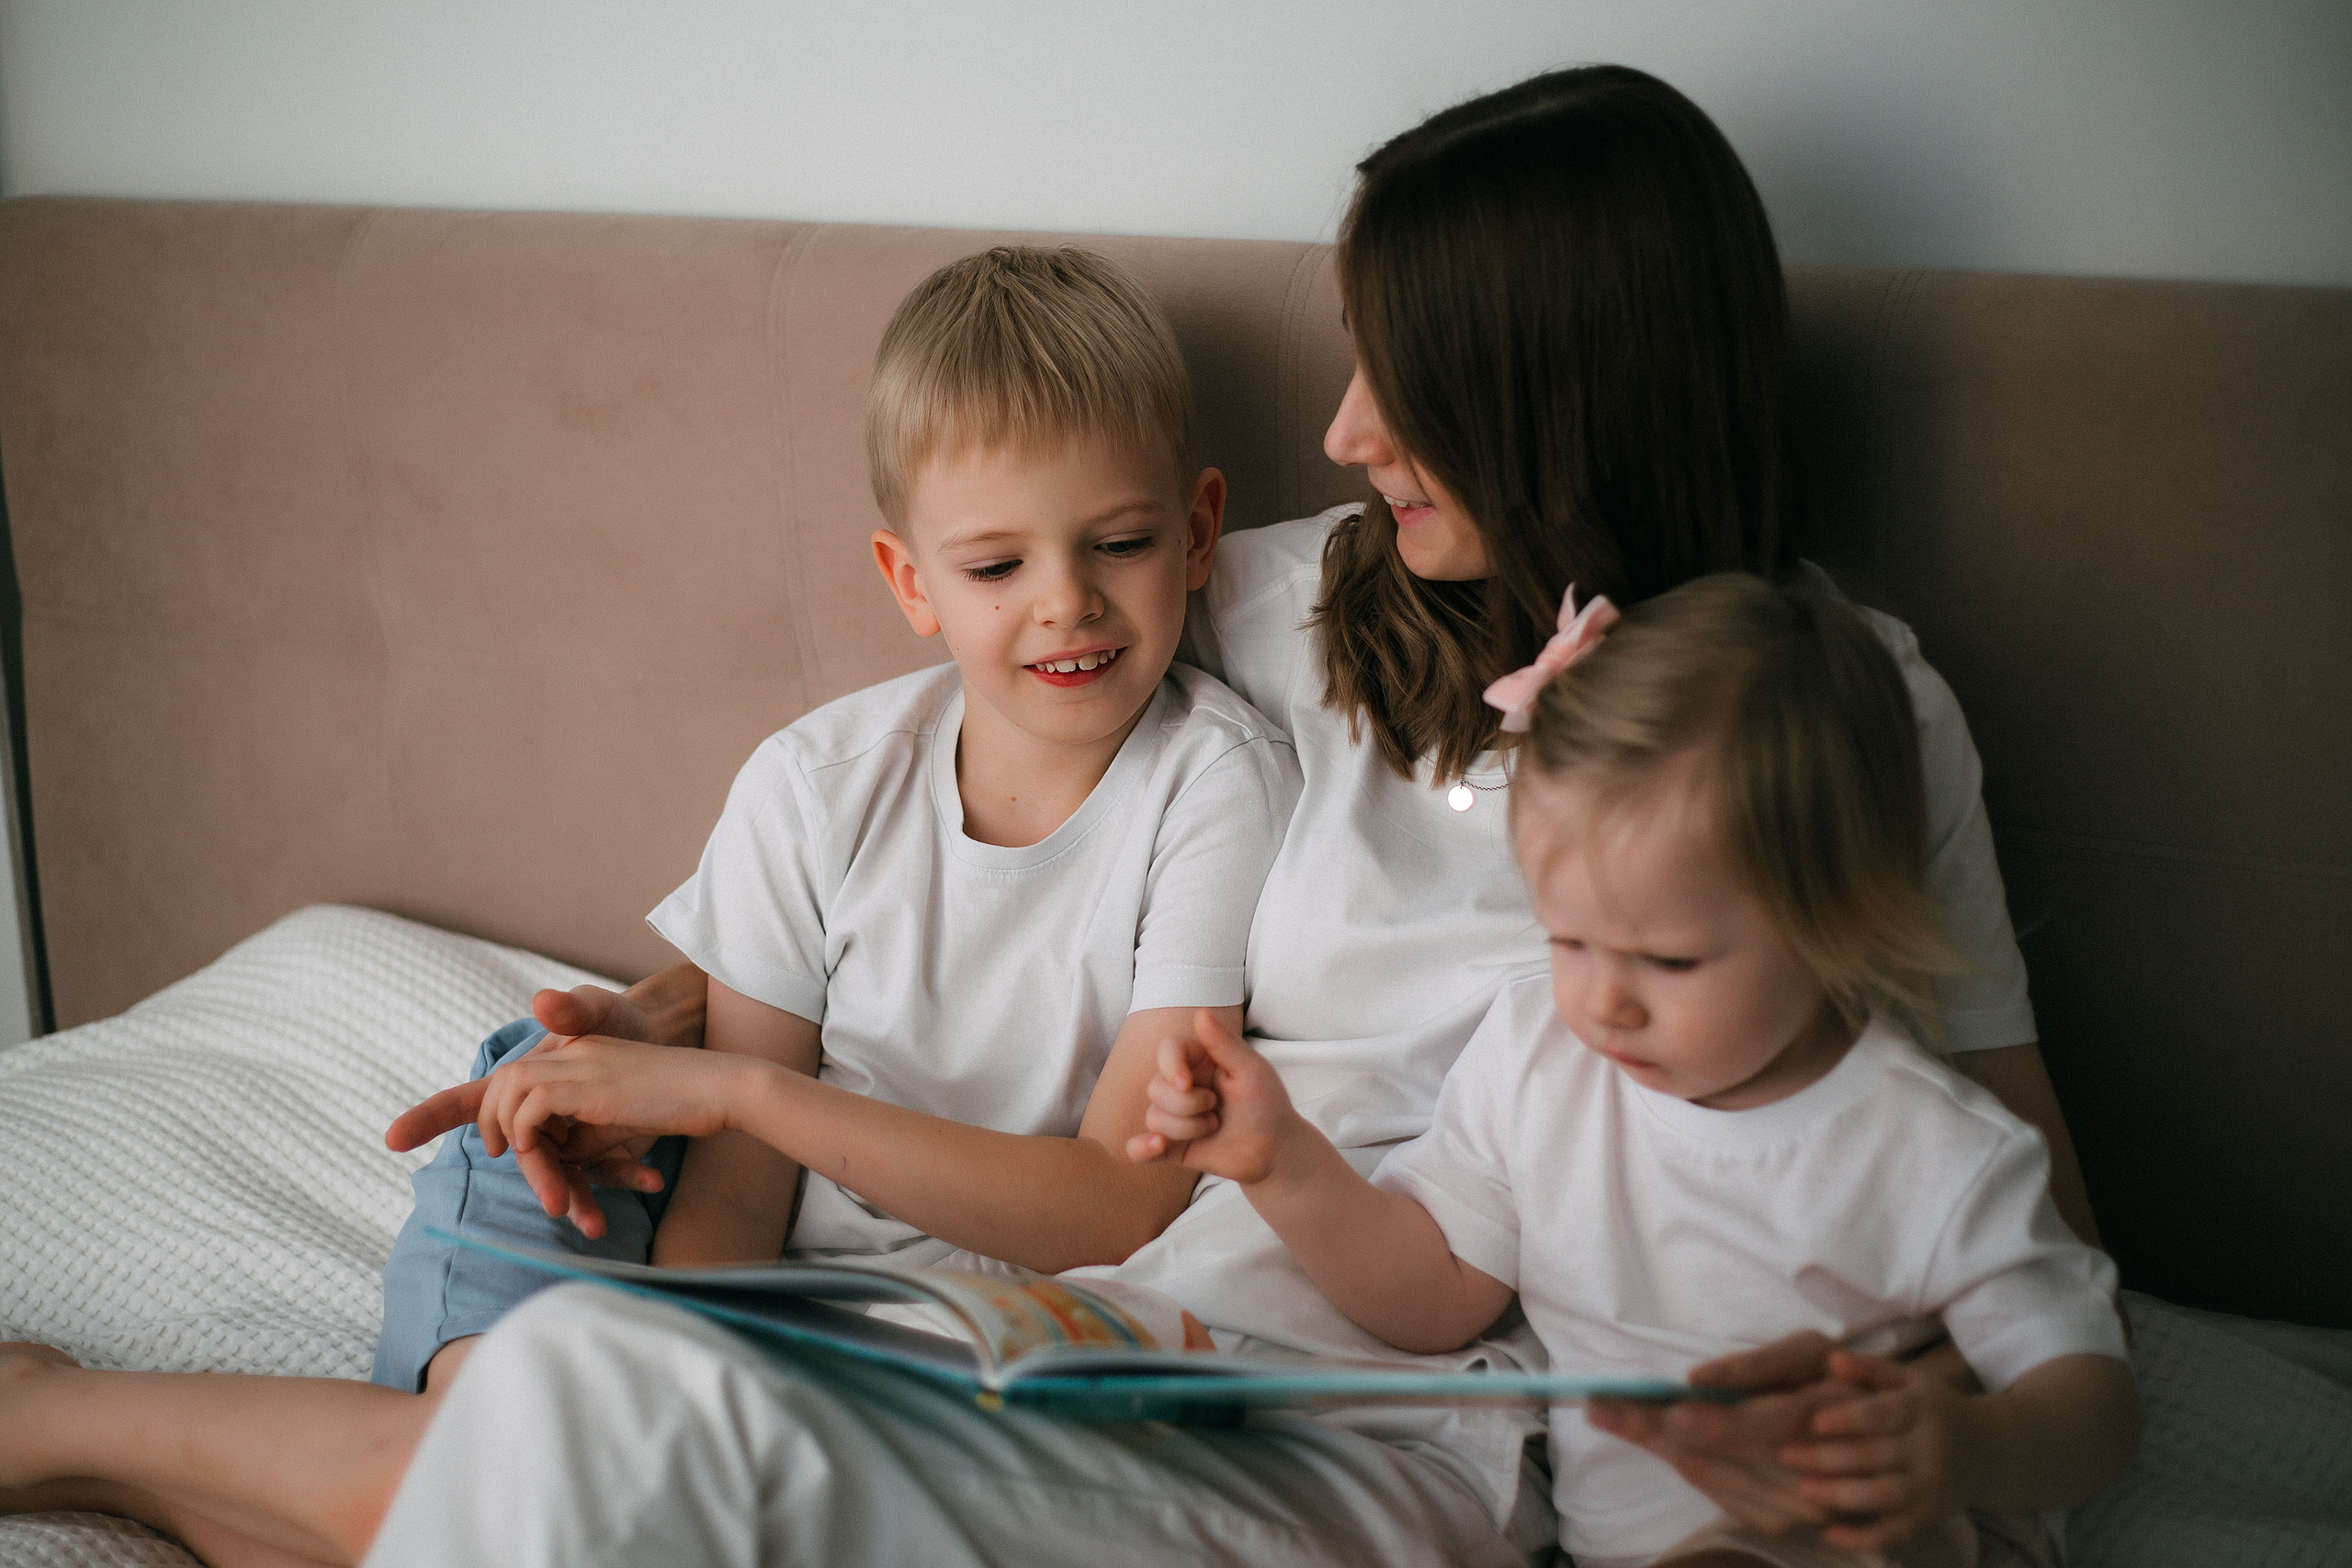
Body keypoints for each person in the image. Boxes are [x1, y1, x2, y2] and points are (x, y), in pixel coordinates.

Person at [16, 62, 2110, 1566]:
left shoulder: (1852, 703)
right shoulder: (1264, 596)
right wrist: (674, 1024)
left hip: (1400, 1406)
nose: (1339, 427)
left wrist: (1914, 1433)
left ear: (1562, 391)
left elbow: (2013, 1183)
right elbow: (971, 781)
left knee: (596, 1449)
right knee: (593, 1395)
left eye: (1402, 376)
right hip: (1139, 1303)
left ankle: (71, 1427)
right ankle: (72, 1420)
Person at [0, 245, 1300, 1565]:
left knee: (508, 1516)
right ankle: (75, 1422)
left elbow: (1113, 1204)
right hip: (667, 1197)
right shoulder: (816, 785)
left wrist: (744, 1099)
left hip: (950, 1308)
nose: (1066, 601)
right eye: (994, 566)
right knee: (539, 1353)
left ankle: (83, 1433)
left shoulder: (1215, 786)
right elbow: (733, 1198)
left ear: (1197, 530)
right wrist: (685, 1356)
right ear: (909, 580)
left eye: (1120, 543)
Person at [1130, 573, 2139, 1567]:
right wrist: (1283, 1164)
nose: (1604, 1001)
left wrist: (1967, 1448)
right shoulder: (1538, 1058)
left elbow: (2095, 1404)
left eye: (1668, 960)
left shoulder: (1929, 1147)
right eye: (1569, 940)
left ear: (1838, 925)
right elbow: (1436, 1296)